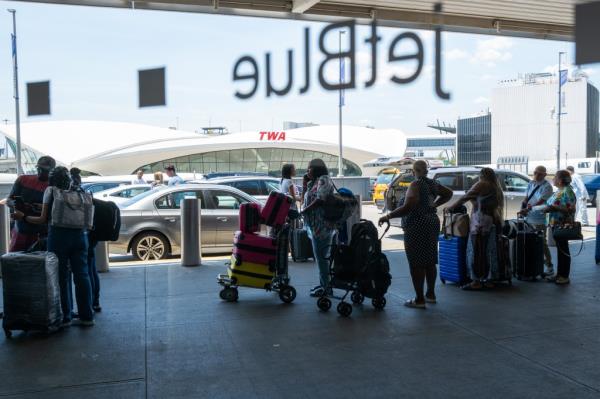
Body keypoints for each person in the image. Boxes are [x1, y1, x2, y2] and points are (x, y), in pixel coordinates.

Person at [13, 167, 94, 326]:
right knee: (82, 275)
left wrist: (24, 217)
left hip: (59, 237)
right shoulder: (79, 189)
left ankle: (66, 317)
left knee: (61, 277)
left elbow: (43, 219)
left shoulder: (50, 190)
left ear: (52, 179)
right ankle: (87, 316)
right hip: (80, 236)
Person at [378, 160, 452, 308]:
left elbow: (409, 206)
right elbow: (448, 194)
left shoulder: (415, 184)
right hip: (432, 222)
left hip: (417, 225)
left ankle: (419, 299)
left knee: (416, 262)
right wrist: (434, 205)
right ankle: (430, 294)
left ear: (414, 171)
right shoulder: (432, 184)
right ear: (426, 170)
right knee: (430, 260)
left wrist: (388, 216)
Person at [446, 168, 504, 290]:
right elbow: (481, 201)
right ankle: (489, 279)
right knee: (489, 250)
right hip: (491, 220)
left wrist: (451, 207)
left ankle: (476, 281)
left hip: (480, 222)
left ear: (481, 175)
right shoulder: (495, 187)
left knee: (476, 250)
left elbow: (465, 198)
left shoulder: (482, 184)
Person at [301, 159, 335, 297]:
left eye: (309, 168)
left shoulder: (324, 179)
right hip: (314, 225)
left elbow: (320, 199)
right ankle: (324, 284)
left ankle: (327, 288)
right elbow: (307, 196)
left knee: (321, 258)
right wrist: (305, 183)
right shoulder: (314, 182)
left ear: (316, 168)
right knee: (319, 257)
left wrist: (305, 210)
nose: (307, 171)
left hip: (322, 226)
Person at [7, 156, 56, 252]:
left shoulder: (54, 187)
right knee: (14, 261)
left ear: (52, 171)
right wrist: (15, 204)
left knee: (37, 264)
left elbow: (55, 210)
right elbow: (9, 199)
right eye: (39, 169)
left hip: (42, 234)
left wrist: (40, 207)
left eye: (45, 170)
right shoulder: (23, 179)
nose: (41, 172)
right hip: (20, 231)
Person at [536, 170, 576, 285]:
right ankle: (559, 274)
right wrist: (549, 208)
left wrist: (554, 208)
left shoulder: (567, 191)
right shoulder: (560, 191)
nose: (553, 179)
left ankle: (564, 276)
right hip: (556, 224)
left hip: (563, 225)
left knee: (563, 250)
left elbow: (570, 209)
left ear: (560, 180)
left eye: (555, 177)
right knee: (560, 249)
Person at [521, 166, 554, 276]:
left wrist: (527, 209)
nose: (536, 175)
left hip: (539, 218)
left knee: (541, 243)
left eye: (539, 173)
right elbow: (526, 197)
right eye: (535, 172)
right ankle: (534, 265)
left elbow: (541, 202)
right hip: (528, 217)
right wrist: (524, 206)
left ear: (545, 175)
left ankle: (549, 266)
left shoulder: (547, 187)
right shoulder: (531, 183)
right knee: (529, 241)